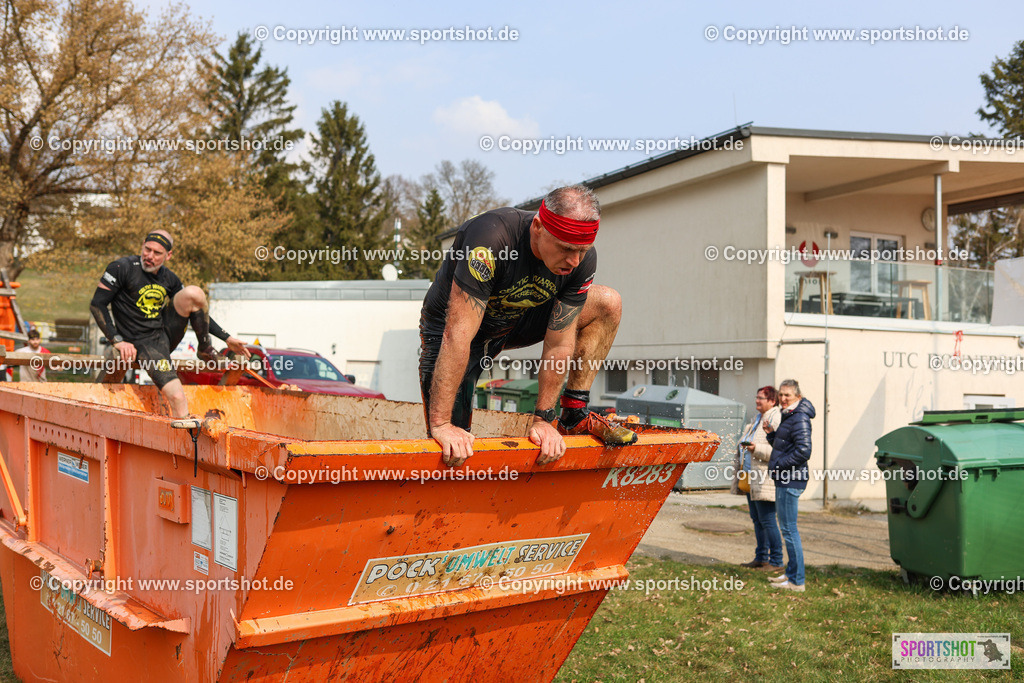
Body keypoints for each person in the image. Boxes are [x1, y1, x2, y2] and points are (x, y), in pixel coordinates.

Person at [419, 184, 637, 467]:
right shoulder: (491, 239)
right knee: (453, 447)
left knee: (607, 303)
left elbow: (559, 342)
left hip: (516, 319)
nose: (574, 261)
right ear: (538, 227)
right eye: (566, 249)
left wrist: (543, 419)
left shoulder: (581, 261)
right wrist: (441, 424)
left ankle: (574, 414)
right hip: (453, 328)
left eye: (582, 251)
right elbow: (457, 334)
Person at [89, 230, 250, 418]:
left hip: (164, 336)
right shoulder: (121, 267)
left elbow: (197, 309)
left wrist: (227, 338)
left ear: (168, 255)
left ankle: (205, 349)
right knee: (178, 397)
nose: (149, 256)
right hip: (141, 343)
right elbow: (97, 304)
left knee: (195, 293)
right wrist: (117, 340)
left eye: (157, 253)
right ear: (142, 246)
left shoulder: (169, 278)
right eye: (147, 249)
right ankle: (185, 428)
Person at [763, 379, 815, 592]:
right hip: (785, 477)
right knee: (787, 529)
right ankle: (791, 574)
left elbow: (804, 451)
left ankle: (797, 581)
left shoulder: (799, 417)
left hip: (791, 479)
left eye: (788, 395)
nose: (783, 399)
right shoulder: (790, 415)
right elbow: (785, 446)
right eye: (781, 395)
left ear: (798, 397)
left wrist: (778, 466)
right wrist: (772, 435)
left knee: (789, 530)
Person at [732, 386, 782, 571]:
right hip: (750, 477)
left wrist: (756, 449)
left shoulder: (776, 419)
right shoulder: (757, 419)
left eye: (761, 398)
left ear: (772, 401)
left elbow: (779, 451)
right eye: (757, 397)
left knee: (768, 520)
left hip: (765, 479)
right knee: (757, 519)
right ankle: (761, 558)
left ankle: (776, 561)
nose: (757, 401)